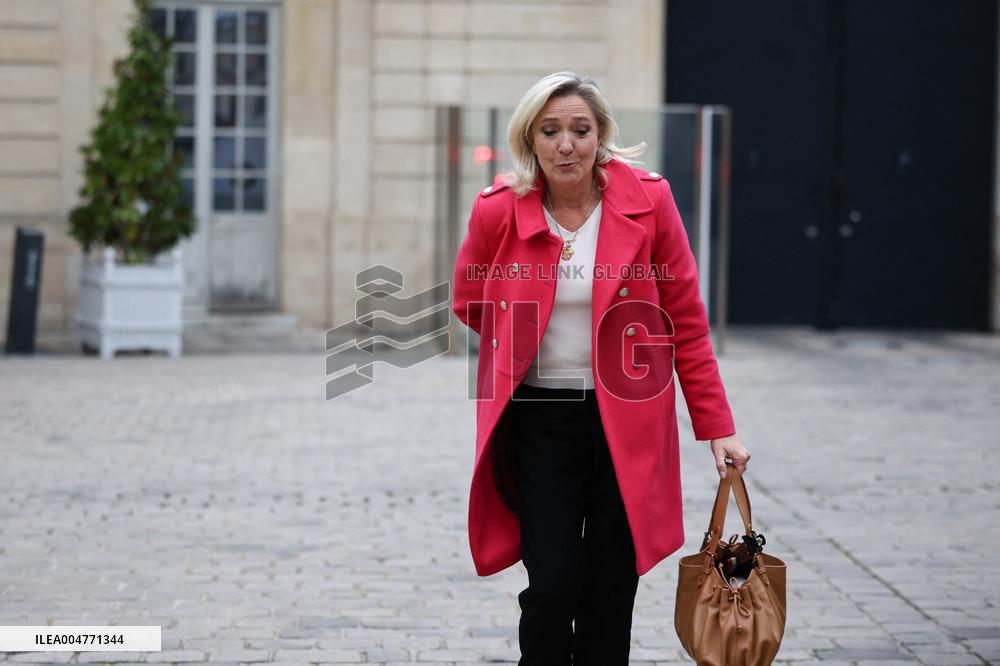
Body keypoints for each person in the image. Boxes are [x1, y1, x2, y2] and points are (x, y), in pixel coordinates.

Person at [451, 71, 751, 665]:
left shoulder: (650, 201)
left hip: (629, 423)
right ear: (530, 139)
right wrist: (521, 337)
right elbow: (469, 299)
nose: (567, 145)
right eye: (551, 130)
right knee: (554, 584)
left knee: (612, 592)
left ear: (601, 136)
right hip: (539, 419)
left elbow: (685, 321)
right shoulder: (498, 211)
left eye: (580, 130)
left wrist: (717, 426)